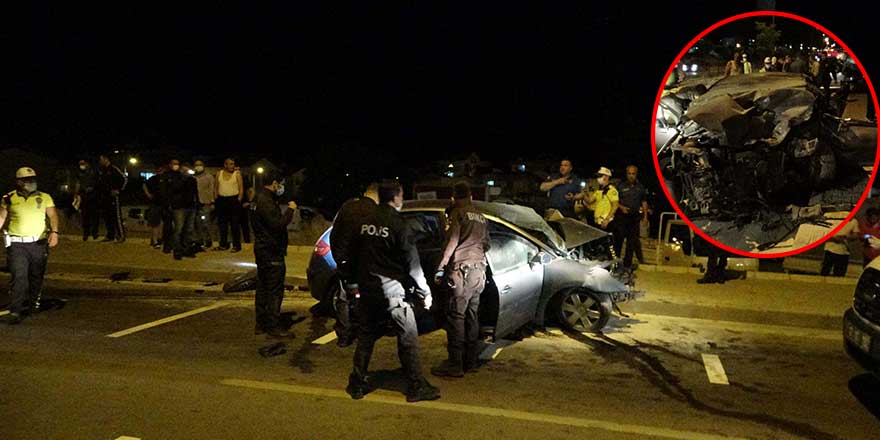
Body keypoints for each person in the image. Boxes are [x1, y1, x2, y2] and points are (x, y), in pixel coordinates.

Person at [347, 181, 439, 403]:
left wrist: (353, 282)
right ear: (396, 198)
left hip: (368, 291)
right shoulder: (399, 224)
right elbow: (413, 263)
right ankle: (416, 386)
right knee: (408, 338)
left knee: (366, 337)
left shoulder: (364, 221)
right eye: (401, 196)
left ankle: (357, 384)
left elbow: (352, 254)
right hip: (393, 294)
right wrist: (425, 292)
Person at [431, 182, 489, 378]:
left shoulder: (458, 214)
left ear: (454, 198)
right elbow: (487, 244)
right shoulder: (481, 217)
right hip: (479, 272)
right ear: (471, 195)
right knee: (473, 316)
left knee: (456, 317)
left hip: (462, 273)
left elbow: (451, 243)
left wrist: (439, 269)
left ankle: (455, 364)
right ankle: (470, 361)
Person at [0, 167, 60, 324]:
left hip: (38, 243)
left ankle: (34, 303)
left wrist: (54, 232)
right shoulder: (9, 198)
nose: (31, 182)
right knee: (19, 276)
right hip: (16, 244)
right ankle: (15, 311)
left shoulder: (44, 197)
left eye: (33, 179)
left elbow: (53, 215)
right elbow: (1, 217)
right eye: (27, 180)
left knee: (36, 276)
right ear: (19, 182)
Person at [328, 183, 379, 347]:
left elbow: (334, 234)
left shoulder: (347, 207)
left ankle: (343, 335)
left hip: (346, 262)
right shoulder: (377, 212)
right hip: (367, 264)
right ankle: (365, 333)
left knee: (343, 298)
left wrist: (339, 258)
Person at [251, 170, 298, 338]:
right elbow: (277, 225)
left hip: (262, 248)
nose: (281, 187)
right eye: (280, 183)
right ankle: (272, 325)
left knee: (263, 287)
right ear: (274, 183)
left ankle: (261, 323)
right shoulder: (266, 201)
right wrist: (291, 210)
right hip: (271, 250)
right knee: (274, 290)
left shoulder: (258, 198)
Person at [615, 165, 648, 268]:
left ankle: (627, 265)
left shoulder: (640, 187)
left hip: (634, 218)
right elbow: (614, 201)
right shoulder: (620, 186)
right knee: (618, 240)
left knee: (631, 242)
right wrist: (621, 207)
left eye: (633, 174)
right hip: (621, 217)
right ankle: (615, 263)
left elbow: (644, 202)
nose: (631, 176)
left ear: (636, 174)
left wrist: (645, 217)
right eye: (629, 173)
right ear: (626, 174)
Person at [96, 153, 127, 242]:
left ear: (106, 159)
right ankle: (110, 235)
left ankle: (121, 235)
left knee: (116, 216)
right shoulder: (102, 170)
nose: (100, 161)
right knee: (107, 216)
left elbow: (124, 179)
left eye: (101, 159)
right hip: (105, 196)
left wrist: (119, 190)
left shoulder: (114, 169)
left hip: (114, 197)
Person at [215, 158, 244, 252]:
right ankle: (223, 245)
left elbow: (241, 188)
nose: (232, 166)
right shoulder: (219, 173)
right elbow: (216, 187)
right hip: (221, 200)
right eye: (230, 164)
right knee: (222, 225)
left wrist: (238, 200)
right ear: (225, 165)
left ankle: (236, 245)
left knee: (235, 224)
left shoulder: (237, 174)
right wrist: (216, 199)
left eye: (233, 164)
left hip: (233, 200)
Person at [74, 159, 99, 241]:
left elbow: (97, 183)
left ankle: (95, 233)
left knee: (94, 216)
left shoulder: (93, 172)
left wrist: (93, 189)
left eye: (83, 164)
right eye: (80, 164)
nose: (82, 165)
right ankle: (86, 234)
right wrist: (76, 193)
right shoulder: (79, 173)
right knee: (85, 216)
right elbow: (78, 183)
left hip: (93, 196)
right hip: (84, 196)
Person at [193, 160, 216, 250]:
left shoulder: (209, 177)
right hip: (195, 203)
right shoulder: (193, 177)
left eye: (200, 165)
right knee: (197, 224)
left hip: (206, 203)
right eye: (196, 165)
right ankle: (199, 241)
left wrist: (212, 202)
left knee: (206, 223)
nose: (198, 166)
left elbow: (212, 189)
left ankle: (208, 240)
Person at [143, 167, 165, 249]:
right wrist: (148, 194)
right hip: (155, 203)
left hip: (164, 204)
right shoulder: (153, 179)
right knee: (155, 223)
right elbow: (144, 185)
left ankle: (159, 239)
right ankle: (155, 240)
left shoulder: (166, 178)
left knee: (162, 223)